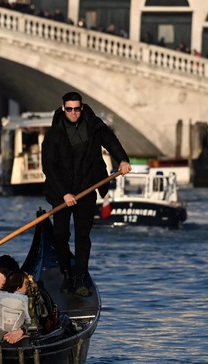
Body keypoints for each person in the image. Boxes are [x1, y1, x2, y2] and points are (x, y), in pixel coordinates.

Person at [42, 91, 131, 296]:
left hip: (87, 187)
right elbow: (49, 166)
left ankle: (80, 276)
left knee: (83, 236)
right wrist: (65, 194)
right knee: (60, 235)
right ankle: (66, 273)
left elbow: (111, 141)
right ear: (64, 109)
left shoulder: (93, 125)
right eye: (70, 109)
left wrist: (123, 160)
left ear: (81, 108)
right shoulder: (54, 133)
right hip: (61, 192)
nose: (74, 113)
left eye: (77, 109)